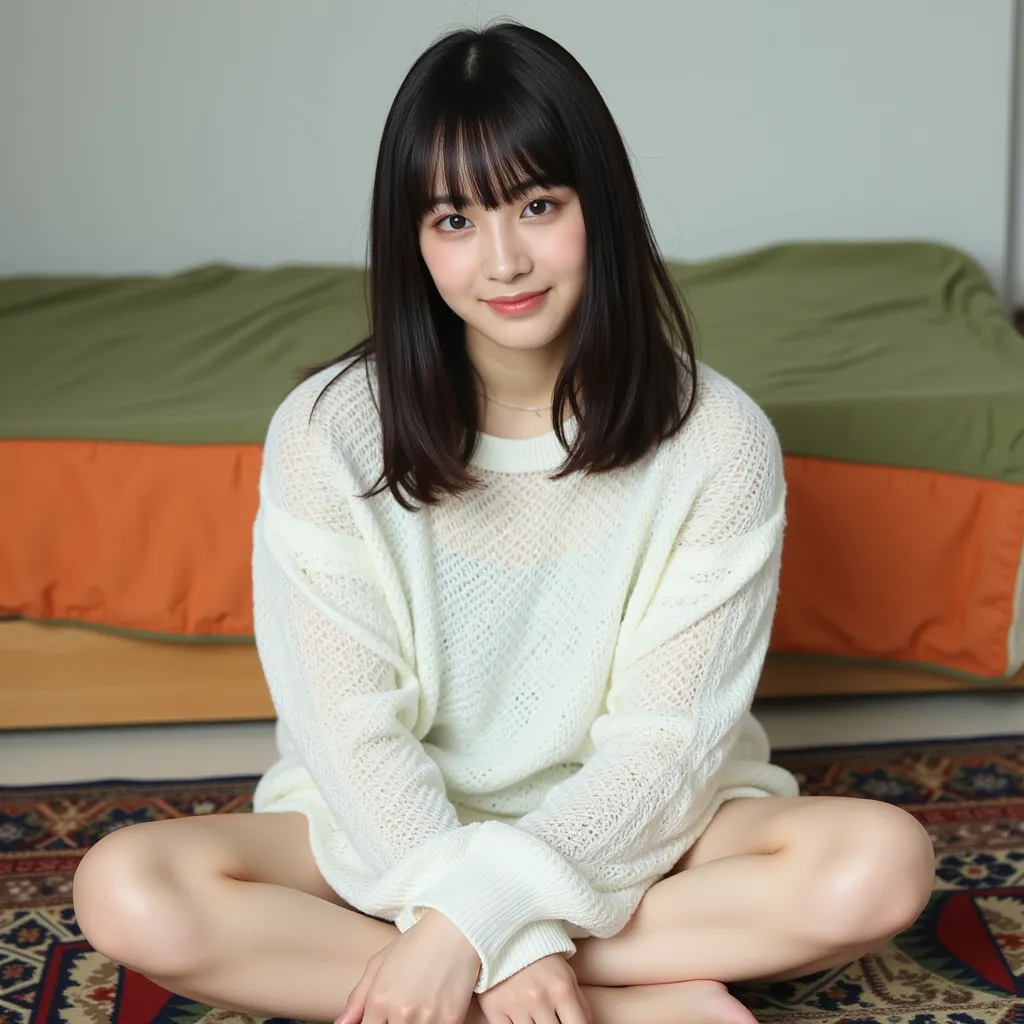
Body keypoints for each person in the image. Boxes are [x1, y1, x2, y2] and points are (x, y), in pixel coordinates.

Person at [72, 21, 936, 1024]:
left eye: (537, 205)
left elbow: (663, 749)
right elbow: (349, 737)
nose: (504, 260)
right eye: (453, 221)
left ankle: (447, 982)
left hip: (644, 833)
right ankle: (616, 1000)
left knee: (879, 866)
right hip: (388, 831)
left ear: (595, 209)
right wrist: (500, 927)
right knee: (125, 889)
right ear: (413, 240)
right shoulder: (327, 433)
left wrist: (467, 929)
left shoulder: (719, 439)